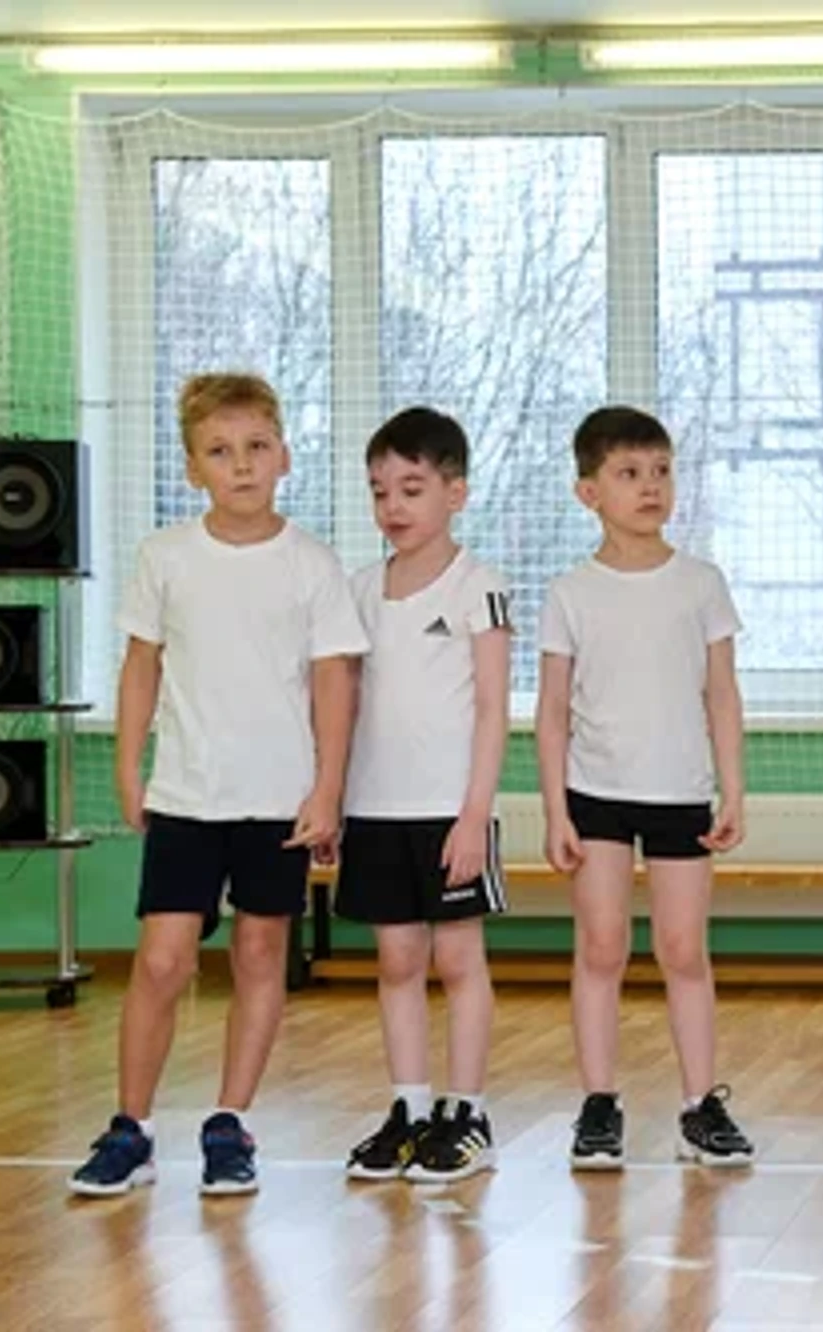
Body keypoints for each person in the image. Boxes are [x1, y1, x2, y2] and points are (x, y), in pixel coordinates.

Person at [71, 372, 367, 1197]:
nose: (241, 464)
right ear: (192, 467)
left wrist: (327, 789)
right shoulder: (164, 558)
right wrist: (127, 767)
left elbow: (334, 683)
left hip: (279, 801)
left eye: (256, 447)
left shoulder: (313, 564)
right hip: (186, 797)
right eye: (220, 451)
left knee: (261, 953)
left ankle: (230, 1124)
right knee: (162, 961)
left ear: (284, 457)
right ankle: (130, 1129)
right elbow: (141, 667)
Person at [538, 406, 753, 1171]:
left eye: (661, 471)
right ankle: (599, 1104)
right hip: (595, 795)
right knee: (601, 947)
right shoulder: (571, 592)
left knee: (683, 949)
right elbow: (552, 711)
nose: (651, 486)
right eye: (629, 473)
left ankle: (701, 1106)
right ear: (589, 492)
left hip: (680, 794)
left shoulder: (701, 584)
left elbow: (721, 694)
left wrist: (733, 791)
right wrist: (556, 809)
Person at [340, 407, 511, 1184]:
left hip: (451, 812)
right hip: (376, 808)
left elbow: (492, 709)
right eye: (380, 492)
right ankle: (409, 1109)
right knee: (398, 958)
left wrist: (474, 814)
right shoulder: (358, 591)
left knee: (457, 957)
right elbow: (343, 702)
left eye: (411, 489)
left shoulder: (480, 586)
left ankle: (466, 1113)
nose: (393, 506)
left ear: (456, 493)